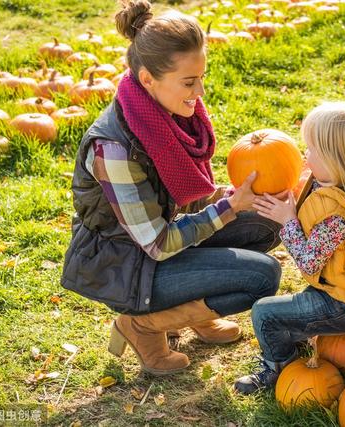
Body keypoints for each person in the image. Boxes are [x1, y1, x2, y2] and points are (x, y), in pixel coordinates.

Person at [60, 0, 285, 376]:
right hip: (126, 264)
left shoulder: (166, 114)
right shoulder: (114, 149)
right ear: (148, 78)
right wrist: (228, 209)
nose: (199, 91)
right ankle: (142, 325)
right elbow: (158, 242)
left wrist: (238, 198)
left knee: (265, 223)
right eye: (188, 81)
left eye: (201, 77)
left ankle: (194, 310)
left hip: (153, 245)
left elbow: (190, 196)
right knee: (262, 276)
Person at [234, 101, 345, 394]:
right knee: (289, 314)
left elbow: (309, 262)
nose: (305, 155)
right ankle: (301, 338)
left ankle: (278, 368)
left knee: (264, 313)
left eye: (312, 150)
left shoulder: (340, 215)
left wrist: (287, 221)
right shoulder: (338, 185)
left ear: (336, 160)